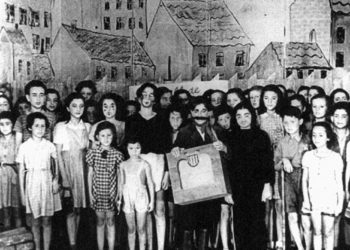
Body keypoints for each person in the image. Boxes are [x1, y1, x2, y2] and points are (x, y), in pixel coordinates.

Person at [171, 96, 232, 250]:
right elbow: (175, 155)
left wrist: (224, 148)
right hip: (191, 187)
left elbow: (230, 157)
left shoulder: (217, 131)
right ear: (191, 113)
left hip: (210, 186)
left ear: (208, 113)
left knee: (207, 221)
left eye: (203, 111)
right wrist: (175, 150)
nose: (200, 114)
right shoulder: (184, 132)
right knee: (189, 222)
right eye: (196, 110)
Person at [125, 82, 167, 250]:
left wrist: (166, 173)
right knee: (144, 207)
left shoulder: (162, 118)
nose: (148, 97)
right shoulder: (132, 120)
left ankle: (161, 246)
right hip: (139, 163)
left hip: (158, 162)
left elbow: (166, 148)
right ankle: (147, 246)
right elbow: (129, 147)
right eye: (145, 94)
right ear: (139, 97)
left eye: (151, 95)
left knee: (159, 207)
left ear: (155, 98)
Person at [230, 101, 274, 250]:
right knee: (240, 225)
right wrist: (228, 191)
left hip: (257, 186)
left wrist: (267, 186)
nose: (243, 119)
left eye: (246, 115)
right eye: (239, 116)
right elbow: (228, 167)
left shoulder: (261, 136)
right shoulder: (231, 137)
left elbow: (267, 162)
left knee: (257, 223)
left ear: (253, 116)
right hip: (237, 188)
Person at [17, 112, 61, 250]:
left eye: (43, 126)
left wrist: (55, 180)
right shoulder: (24, 146)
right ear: (30, 128)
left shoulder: (49, 145)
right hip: (32, 182)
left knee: (47, 219)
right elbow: (21, 171)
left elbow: (55, 165)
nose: (40, 129)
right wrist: (23, 195)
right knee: (35, 220)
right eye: (37, 126)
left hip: (46, 180)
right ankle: (37, 247)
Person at [54, 93, 91, 250]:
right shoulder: (61, 127)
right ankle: (72, 243)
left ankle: (75, 238)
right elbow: (58, 154)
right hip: (68, 168)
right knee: (70, 209)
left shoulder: (87, 127)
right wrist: (64, 177)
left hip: (83, 168)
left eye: (81, 106)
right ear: (68, 108)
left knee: (79, 208)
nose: (78, 109)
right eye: (74, 106)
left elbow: (89, 151)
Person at [302, 122, 344, 250]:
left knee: (328, 232)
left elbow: (339, 183)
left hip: (330, 199)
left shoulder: (335, 157)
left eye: (320, 135)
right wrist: (306, 200)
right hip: (314, 199)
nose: (316, 138)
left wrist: (340, 204)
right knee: (317, 231)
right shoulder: (308, 156)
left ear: (328, 137)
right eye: (314, 135)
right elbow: (305, 181)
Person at [274, 106, 310, 250]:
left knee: (306, 217)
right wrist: (284, 160)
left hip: (307, 180)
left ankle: (308, 245)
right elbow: (275, 166)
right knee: (292, 215)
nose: (289, 126)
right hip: (288, 180)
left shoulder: (309, 139)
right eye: (286, 122)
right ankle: (300, 247)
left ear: (300, 121)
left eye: (293, 122)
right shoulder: (282, 143)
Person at [87, 121, 124, 250]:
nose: (106, 138)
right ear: (97, 137)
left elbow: (120, 177)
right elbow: (90, 174)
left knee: (111, 221)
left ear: (113, 136)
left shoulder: (117, 154)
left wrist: (118, 195)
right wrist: (90, 194)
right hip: (98, 193)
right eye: (102, 135)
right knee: (100, 221)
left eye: (109, 135)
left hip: (111, 193)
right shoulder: (93, 153)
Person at [258, 84, 285, 250]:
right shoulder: (258, 118)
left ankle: (280, 240)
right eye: (266, 98)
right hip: (264, 166)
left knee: (279, 205)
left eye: (274, 98)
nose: (270, 101)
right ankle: (267, 240)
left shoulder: (282, 117)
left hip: (280, 164)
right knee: (266, 206)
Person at [118, 138, 155, 250]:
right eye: (131, 148)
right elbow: (121, 183)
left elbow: (150, 183)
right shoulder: (123, 164)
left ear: (141, 148)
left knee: (141, 228)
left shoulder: (145, 164)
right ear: (127, 149)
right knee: (131, 229)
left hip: (141, 196)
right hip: (127, 196)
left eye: (137, 148)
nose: (134, 151)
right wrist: (119, 199)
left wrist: (152, 201)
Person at [0, 111, 21, 229]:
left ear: (13, 125)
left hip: (14, 175)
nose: (4, 127)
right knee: (5, 210)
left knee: (16, 209)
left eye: (7, 124)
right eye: (1, 124)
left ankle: (20, 236)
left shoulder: (17, 139)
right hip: (1, 177)